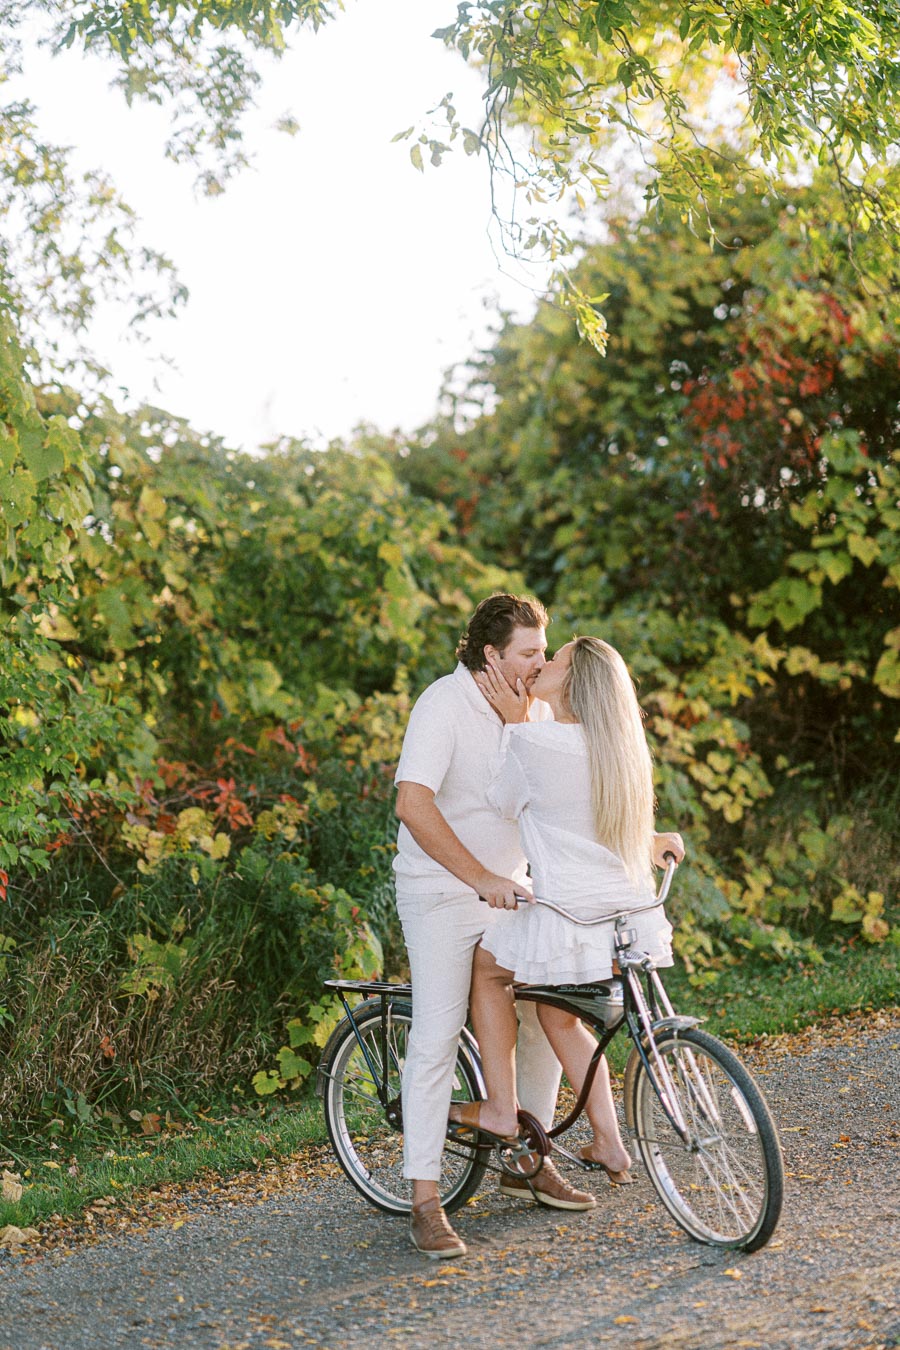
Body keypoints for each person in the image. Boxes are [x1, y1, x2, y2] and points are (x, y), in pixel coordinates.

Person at [394, 593, 597, 1262]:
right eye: (530, 653)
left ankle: (525, 1157)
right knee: (436, 1032)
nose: (541, 663)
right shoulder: (441, 706)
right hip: (443, 892)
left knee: (544, 1010)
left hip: (513, 889)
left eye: (546, 652)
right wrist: (478, 876)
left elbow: (564, 800)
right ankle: (425, 1199)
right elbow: (411, 804)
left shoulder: (531, 707)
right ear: (491, 655)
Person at [450, 636, 683, 1186]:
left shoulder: (533, 743)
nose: (542, 664)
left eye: (554, 660)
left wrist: (513, 725)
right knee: (558, 1014)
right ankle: (608, 1141)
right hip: (626, 917)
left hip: (570, 918)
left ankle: (502, 1107)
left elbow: (502, 801)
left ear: (572, 683)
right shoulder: (619, 747)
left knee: (487, 971)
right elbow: (591, 818)